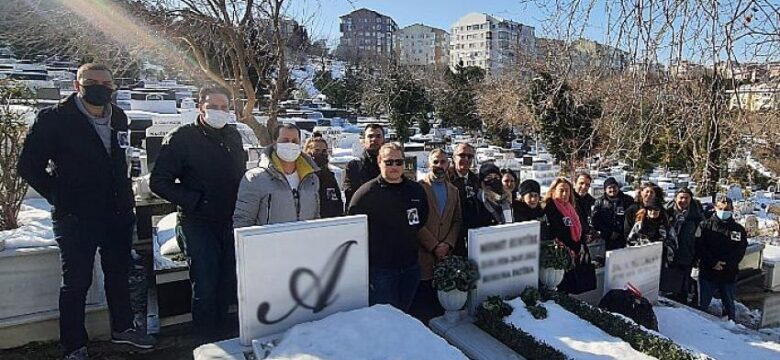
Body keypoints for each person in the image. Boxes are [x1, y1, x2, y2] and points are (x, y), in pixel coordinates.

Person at [17, 63, 155, 359]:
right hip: (75, 215)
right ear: (77, 85)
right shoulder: (54, 119)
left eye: (106, 83)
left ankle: (123, 329)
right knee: (77, 281)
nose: (99, 87)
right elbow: (28, 166)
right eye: (91, 81)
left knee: (118, 274)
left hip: (116, 213)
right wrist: (60, 196)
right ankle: (75, 344)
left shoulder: (118, 117)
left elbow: (119, 161)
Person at [149, 87, 246, 342]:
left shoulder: (233, 137)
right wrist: (195, 200)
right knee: (205, 285)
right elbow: (159, 181)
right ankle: (205, 341)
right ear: (200, 107)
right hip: (198, 222)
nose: (220, 111)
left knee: (227, 283)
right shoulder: (182, 138)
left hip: (230, 220)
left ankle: (223, 336)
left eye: (225, 107)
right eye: (214, 106)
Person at [348, 143, 428, 311]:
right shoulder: (365, 195)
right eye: (389, 162)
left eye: (398, 162)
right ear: (379, 161)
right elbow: (353, 231)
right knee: (385, 321)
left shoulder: (416, 191)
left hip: (410, 268)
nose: (394, 166)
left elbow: (421, 220)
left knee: (405, 315)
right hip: (381, 271)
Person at [233, 124, 320, 227]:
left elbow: (315, 218)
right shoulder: (255, 179)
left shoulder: (312, 180)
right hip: (269, 241)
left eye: (295, 141)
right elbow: (243, 221)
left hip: (303, 240)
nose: (290, 144)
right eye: (285, 140)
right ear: (275, 143)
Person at [410, 149, 462, 323]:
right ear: (428, 164)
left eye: (443, 162)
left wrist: (447, 243)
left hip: (445, 258)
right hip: (423, 256)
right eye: (436, 162)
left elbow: (456, 220)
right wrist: (433, 245)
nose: (440, 166)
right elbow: (415, 221)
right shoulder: (418, 188)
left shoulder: (454, 191)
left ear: (448, 164)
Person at [696, 196, 747, 321]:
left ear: (732, 209)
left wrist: (726, 264)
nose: (724, 211)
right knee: (702, 305)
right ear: (715, 208)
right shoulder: (705, 226)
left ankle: (731, 328)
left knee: (729, 306)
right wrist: (713, 262)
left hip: (728, 273)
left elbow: (740, 250)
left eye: (727, 209)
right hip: (708, 271)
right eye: (720, 208)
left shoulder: (738, 230)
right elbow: (699, 247)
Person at [664, 188, 704, 304]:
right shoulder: (667, 212)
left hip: (686, 254)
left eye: (686, 198)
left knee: (683, 286)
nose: (683, 200)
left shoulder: (696, 215)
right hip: (668, 254)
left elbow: (700, 237)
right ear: (675, 198)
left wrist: (696, 255)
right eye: (681, 197)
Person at [447, 143, 480, 256]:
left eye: (470, 156)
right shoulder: (445, 179)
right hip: (449, 236)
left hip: (472, 234)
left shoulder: (476, 180)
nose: (466, 159)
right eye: (462, 155)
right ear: (453, 157)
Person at [626, 205, 678, 274]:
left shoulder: (667, 227)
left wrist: (665, 249)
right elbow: (630, 242)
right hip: (641, 262)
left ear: (660, 211)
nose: (653, 212)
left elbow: (674, 244)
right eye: (650, 210)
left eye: (656, 210)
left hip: (660, 262)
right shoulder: (639, 225)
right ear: (646, 211)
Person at [343, 124, 384, 208]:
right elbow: (351, 196)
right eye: (370, 136)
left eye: (378, 136)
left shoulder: (393, 165)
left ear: (384, 140)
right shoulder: (354, 167)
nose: (374, 139)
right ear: (364, 141)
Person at [304, 137, 343, 218]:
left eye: (324, 151)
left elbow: (337, 202)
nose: (321, 154)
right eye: (317, 150)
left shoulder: (329, 177)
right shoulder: (303, 177)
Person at [592, 177, 635, 250]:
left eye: (614, 187)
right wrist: (609, 233)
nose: (612, 190)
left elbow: (632, 218)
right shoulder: (599, 202)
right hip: (607, 238)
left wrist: (623, 232)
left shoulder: (628, 200)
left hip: (624, 237)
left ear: (618, 187)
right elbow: (596, 221)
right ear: (605, 190)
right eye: (609, 187)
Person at [469, 163, 514, 229]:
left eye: (496, 177)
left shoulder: (506, 200)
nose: (493, 180)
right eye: (488, 178)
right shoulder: (474, 203)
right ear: (482, 182)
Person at [574, 173, 596, 243]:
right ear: (575, 183)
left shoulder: (592, 201)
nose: (584, 187)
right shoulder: (568, 199)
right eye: (581, 183)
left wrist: (592, 233)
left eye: (587, 185)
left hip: (586, 240)